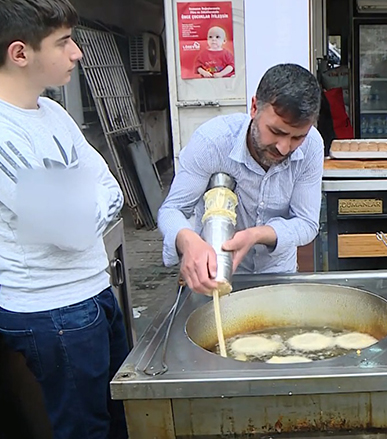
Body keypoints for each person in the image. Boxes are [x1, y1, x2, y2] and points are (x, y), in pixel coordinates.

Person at [0, 1, 128, 438]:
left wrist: (82, 206)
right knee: (84, 430)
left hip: (93, 292)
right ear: (20, 53)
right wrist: (84, 205)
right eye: (63, 42)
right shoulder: (5, 132)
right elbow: (72, 232)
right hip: (52, 311)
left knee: (119, 417)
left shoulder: (52, 112)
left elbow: (113, 189)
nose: (77, 53)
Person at [158, 63, 324, 295]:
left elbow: (307, 222)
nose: (284, 148)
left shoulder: (312, 146)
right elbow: (172, 210)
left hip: (278, 275)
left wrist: (255, 235)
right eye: (276, 132)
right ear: (254, 107)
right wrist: (187, 241)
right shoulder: (212, 142)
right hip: (212, 275)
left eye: (298, 138)